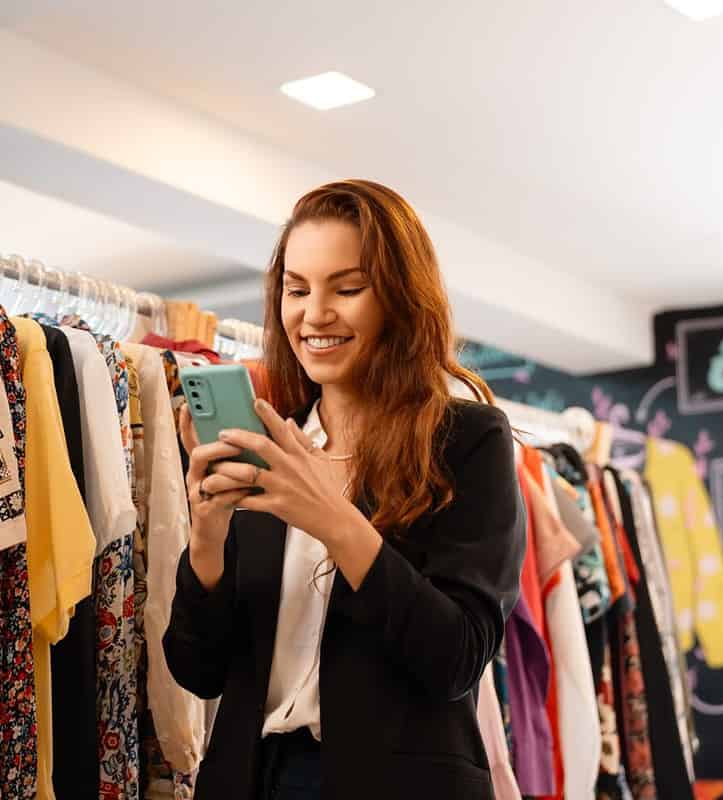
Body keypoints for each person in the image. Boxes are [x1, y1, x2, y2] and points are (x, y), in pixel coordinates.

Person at [164, 179, 527, 800]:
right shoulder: (271, 439)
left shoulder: (467, 440)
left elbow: (457, 658)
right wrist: (206, 539)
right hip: (252, 779)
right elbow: (198, 670)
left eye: (347, 288)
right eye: (297, 289)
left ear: (400, 299)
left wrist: (333, 519)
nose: (315, 314)